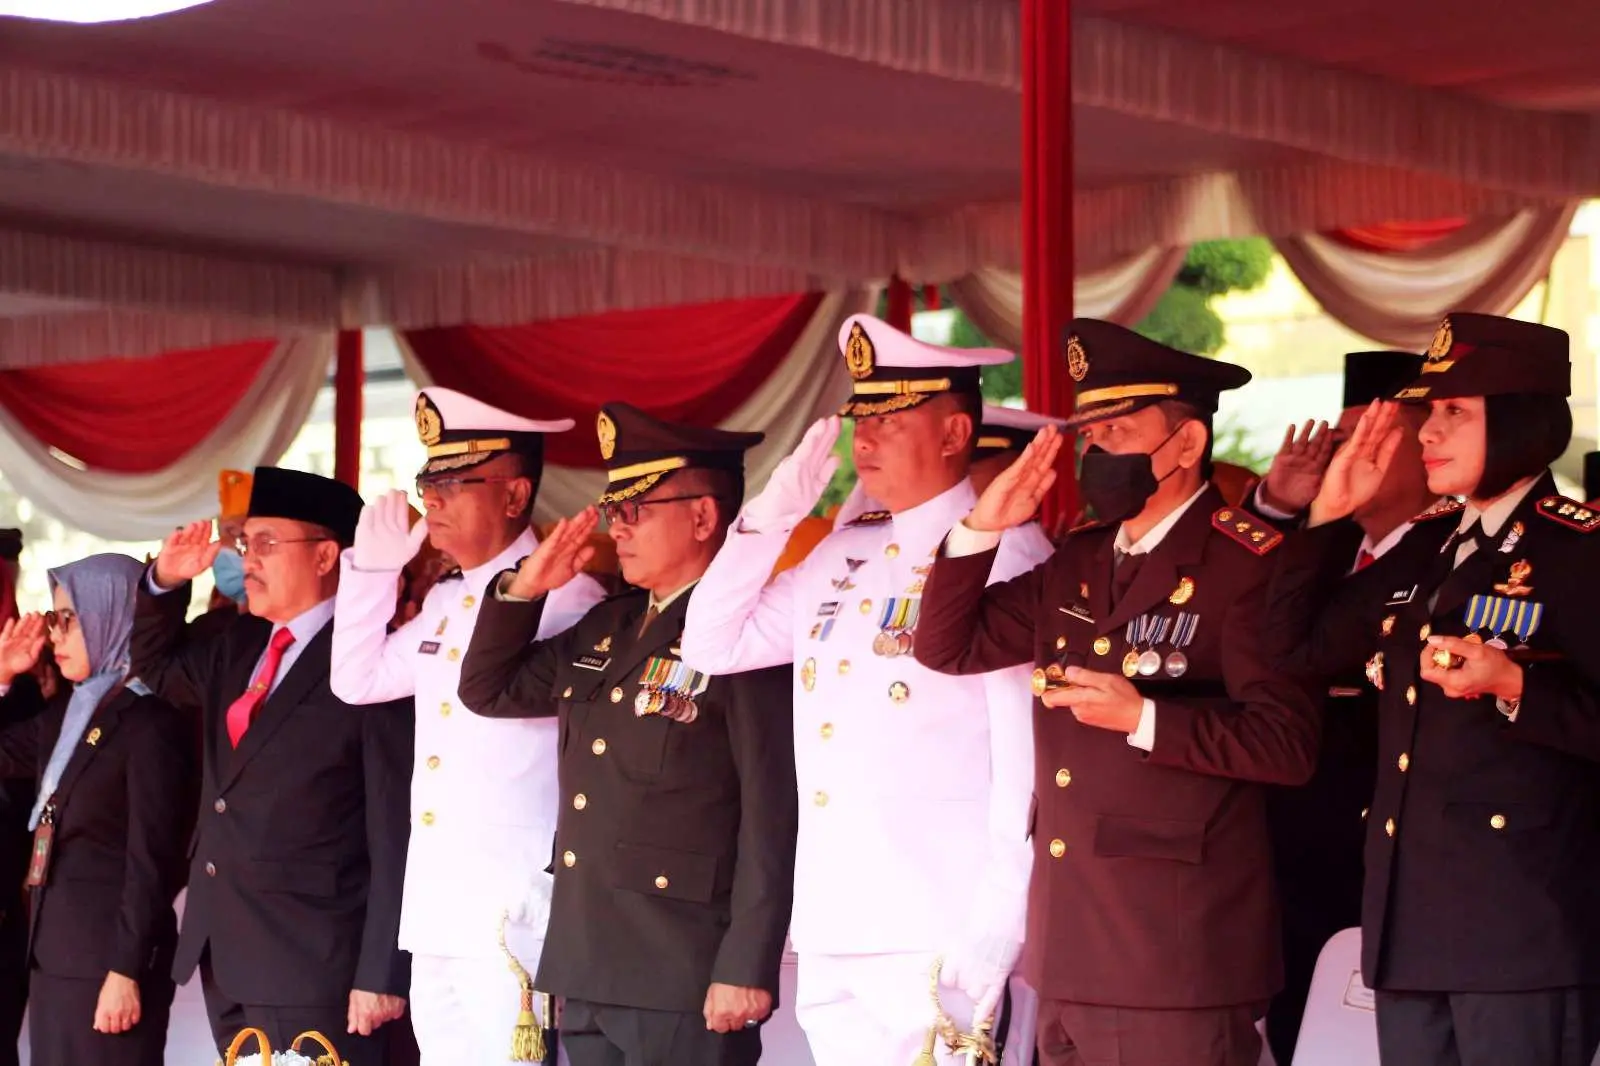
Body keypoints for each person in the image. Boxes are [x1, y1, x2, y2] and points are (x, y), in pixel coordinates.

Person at [913, 318, 1321, 1066]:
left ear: (1187, 444)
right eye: (1091, 435)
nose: (1097, 453)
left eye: (1120, 432)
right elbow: (947, 646)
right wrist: (982, 525)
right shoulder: (1082, 559)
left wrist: (1145, 718)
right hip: (1071, 948)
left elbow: (1286, 745)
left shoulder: (1251, 564)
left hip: (1174, 954)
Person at [679, 314, 1044, 1066]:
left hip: (938, 918)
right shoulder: (843, 554)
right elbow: (710, 645)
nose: (865, 440)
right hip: (836, 916)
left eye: (889, 419)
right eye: (861, 420)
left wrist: (1003, 917)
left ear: (954, 433)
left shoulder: (1003, 553)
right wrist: (773, 516)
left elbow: (1024, 757)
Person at [1265, 313, 1600, 1066]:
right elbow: (1293, 652)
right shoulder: (1431, 539)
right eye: (1430, 412)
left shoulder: (1578, 549)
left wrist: (1515, 684)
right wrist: (1328, 519)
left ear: (1519, 419)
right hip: (1411, 923)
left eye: (1455, 412)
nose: (1429, 432)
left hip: (1523, 933)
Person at [457, 402, 798, 1066]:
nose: (619, 525)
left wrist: (747, 961)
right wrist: (525, 589)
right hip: (588, 958)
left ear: (703, 517)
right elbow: (489, 690)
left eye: (637, 508)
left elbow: (770, 811)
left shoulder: (748, 634)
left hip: (683, 966)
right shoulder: (606, 626)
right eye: (615, 509)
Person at [329, 387, 605, 1065]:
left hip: (515, 904)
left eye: (455, 484)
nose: (434, 500)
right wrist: (371, 572)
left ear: (514, 496)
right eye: (429, 483)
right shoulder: (448, 599)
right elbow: (357, 680)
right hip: (438, 903)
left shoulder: (569, 595)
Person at [130, 466, 412, 1066]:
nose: (248, 559)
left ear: (325, 556)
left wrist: (382, 970)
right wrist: (165, 581)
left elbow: (394, 831)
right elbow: (156, 667)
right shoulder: (238, 644)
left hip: (316, 963)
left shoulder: (371, 659)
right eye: (244, 543)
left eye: (266, 543)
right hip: (226, 951)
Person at [1247, 350, 1431, 1064]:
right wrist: (1278, 505)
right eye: (1341, 436)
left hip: (1393, 842)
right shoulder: (1323, 541)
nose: (1346, 454)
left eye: (1374, 435)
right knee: (1297, 1025)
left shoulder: (1448, 553)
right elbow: (1241, 610)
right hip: (1295, 836)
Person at [0, 554, 194, 1066]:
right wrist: (1, 676)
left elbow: (152, 861)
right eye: (53, 618)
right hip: (53, 958)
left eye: (68, 619)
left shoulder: (150, 721)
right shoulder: (67, 714)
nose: (55, 635)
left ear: (113, 615)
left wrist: (126, 969)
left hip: (110, 968)